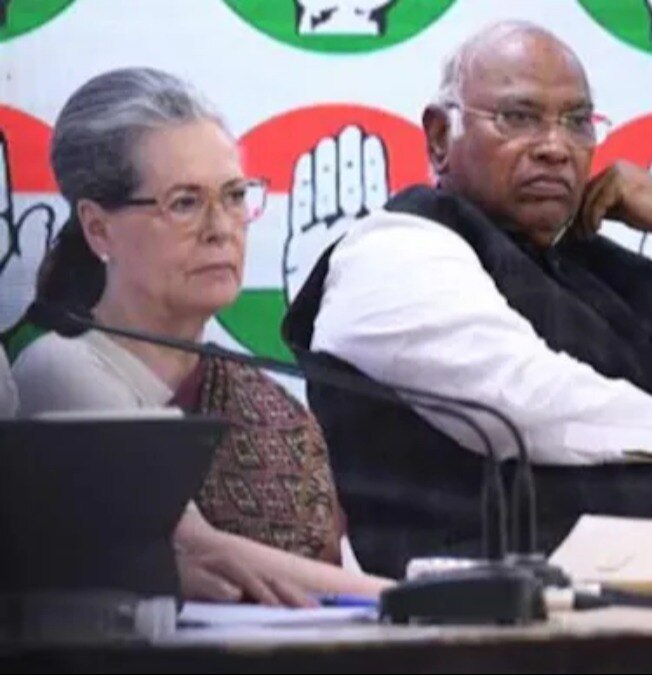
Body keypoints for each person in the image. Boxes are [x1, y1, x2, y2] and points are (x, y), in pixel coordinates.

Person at [283, 21, 652, 577]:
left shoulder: (624, 274)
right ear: (439, 137)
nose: (556, 147)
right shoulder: (390, 249)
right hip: (493, 631)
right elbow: (525, 399)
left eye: (577, 122)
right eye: (519, 118)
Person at [11, 67, 392, 605]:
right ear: (99, 228)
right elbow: (206, 551)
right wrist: (410, 600)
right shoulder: (56, 371)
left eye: (234, 196)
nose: (222, 227)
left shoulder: (273, 407)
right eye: (185, 202)